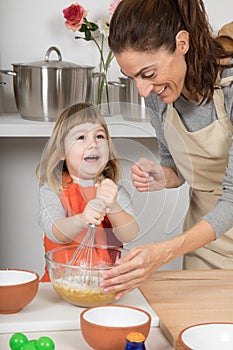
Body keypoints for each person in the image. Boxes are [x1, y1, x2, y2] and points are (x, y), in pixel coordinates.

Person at [99, 0, 233, 299]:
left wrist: (164, 252)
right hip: (204, 246)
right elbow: (174, 164)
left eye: (147, 74)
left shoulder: (230, 88)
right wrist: (165, 175)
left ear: (181, 43)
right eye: (131, 77)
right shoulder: (160, 95)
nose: (143, 91)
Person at [36, 102, 139, 281]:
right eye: (81, 137)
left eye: (99, 136)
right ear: (61, 151)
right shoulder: (52, 189)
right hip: (58, 285)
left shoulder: (114, 191)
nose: (93, 144)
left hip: (105, 284)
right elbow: (56, 231)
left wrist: (113, 206)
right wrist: (83, 219)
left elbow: (129, 234)